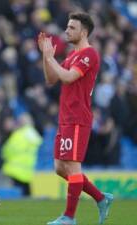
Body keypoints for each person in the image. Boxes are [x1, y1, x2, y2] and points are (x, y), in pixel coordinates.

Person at [38, 12, 113, 225]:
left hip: (78, 117)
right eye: (67, 26)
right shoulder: (71, 56)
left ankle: (69, 218)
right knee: (60, 168)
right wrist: (46, 55)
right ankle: (100, 198)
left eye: (72, 27)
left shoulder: (90, 54)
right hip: (65, 117)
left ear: (84, 31)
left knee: (72, 167)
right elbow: (51, 79)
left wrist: (51, 58)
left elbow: (69, 77)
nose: (67, 30)